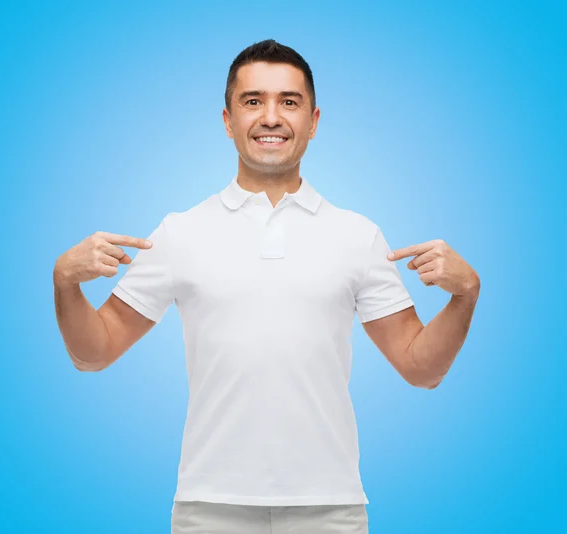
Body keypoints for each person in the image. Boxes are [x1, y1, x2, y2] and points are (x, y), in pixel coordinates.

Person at [53, 39, 480, 534]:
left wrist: (464, 293)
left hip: (331, 510)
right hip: (208, 508)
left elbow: (419, 367)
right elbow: (94, 353)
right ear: (228, 120)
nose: (271, 117)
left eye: (289, 102)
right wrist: (66, 282)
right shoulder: (178, 232)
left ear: (314, 121)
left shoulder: (359, 236)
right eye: (253, 101)